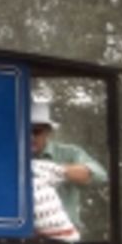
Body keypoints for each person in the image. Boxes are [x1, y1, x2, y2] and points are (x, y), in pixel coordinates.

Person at [30, 100, 106, 234]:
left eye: (36, 131)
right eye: (24, 131)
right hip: (25, 237)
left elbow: (100, 175)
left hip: (62, 238)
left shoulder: (70, 153)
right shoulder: (8, 158)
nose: (30, 137)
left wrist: (59, 170)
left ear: (48, 132)